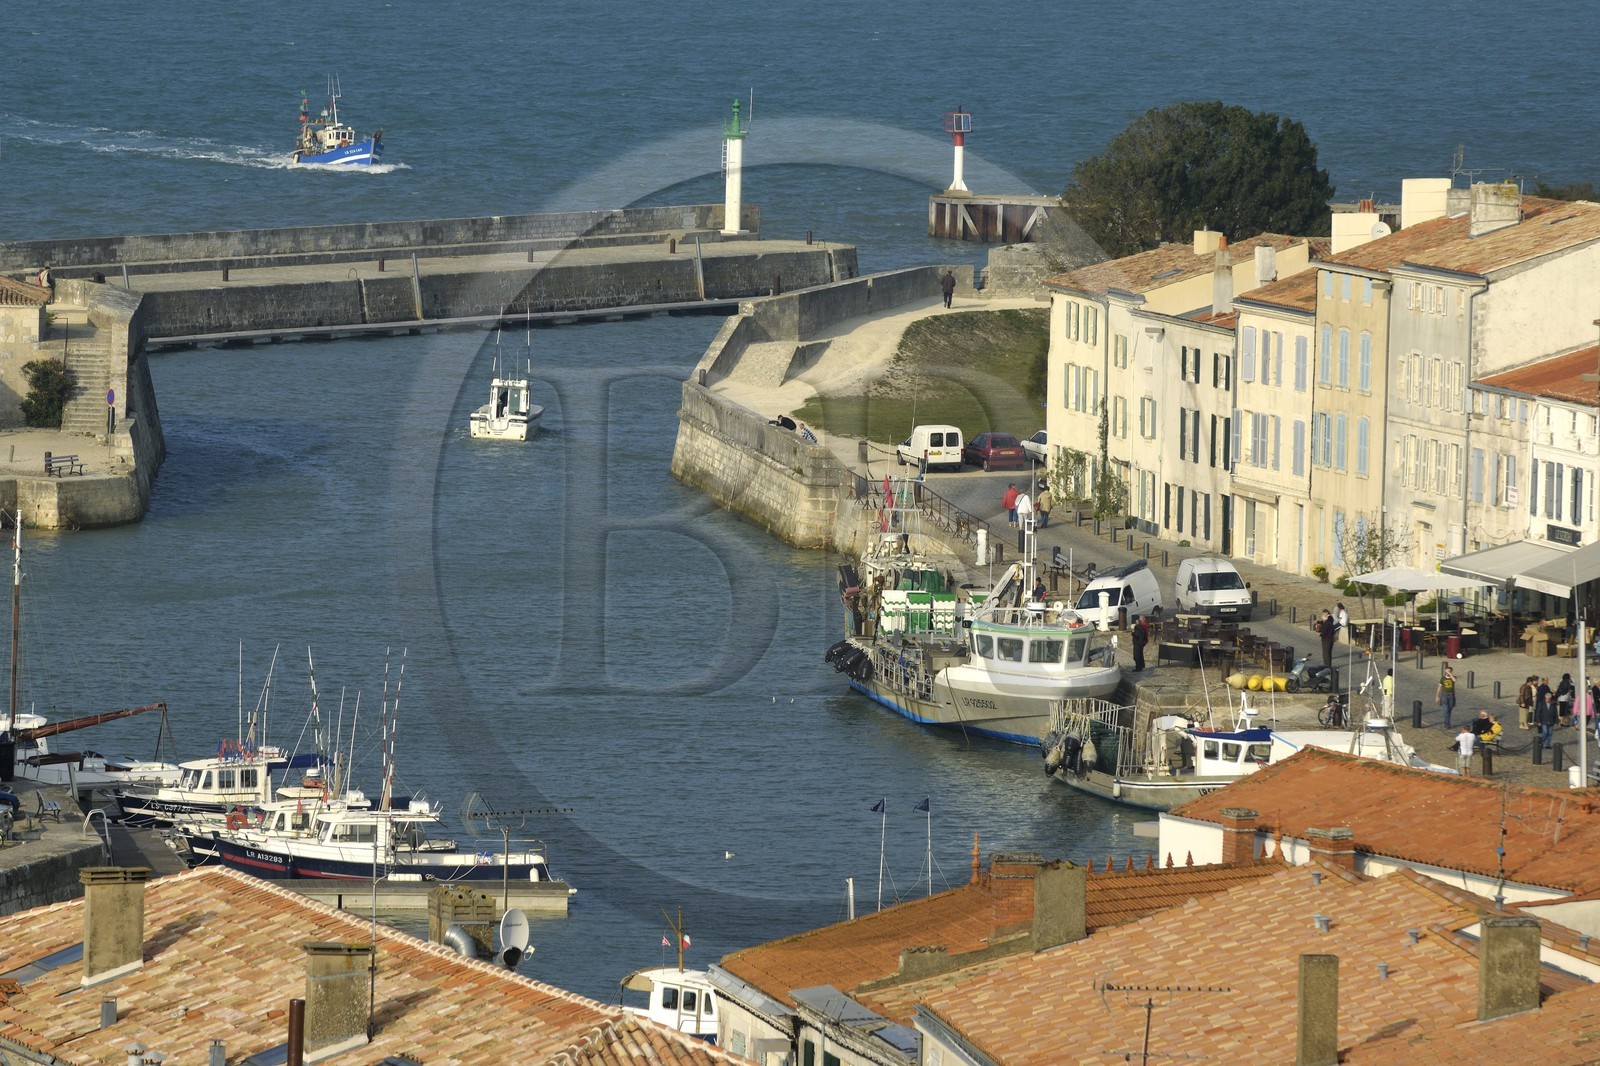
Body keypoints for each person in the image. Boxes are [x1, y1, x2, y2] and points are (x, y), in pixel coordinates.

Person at [1536, 684, 1559, 749]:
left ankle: (1547, 744)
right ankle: (1541, 742)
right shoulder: (1541, 704)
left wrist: (1556, 721)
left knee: (1550, 733)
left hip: (1551, 720)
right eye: (1547, 698)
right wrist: (1538, 721)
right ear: (1545, 698)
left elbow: (1556, 713)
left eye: (1549, 698)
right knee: (1545, 732)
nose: (1548, 700)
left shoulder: (1553, 704)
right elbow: (1538, 713)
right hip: (1544, 720)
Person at [1436, 665, 1457, 729]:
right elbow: (1439, 687)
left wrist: (1450, 674)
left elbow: (1454, 680)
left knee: (1449, 710)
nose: (1448, 672)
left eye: (1450, 671)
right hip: (1444, 695)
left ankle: (1445, 723)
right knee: (1446, 710)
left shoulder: (1453, 677)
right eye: (1447, 671)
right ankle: (1447, 725)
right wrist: (1437, 696)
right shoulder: (1443, 678)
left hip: (1451, 695)